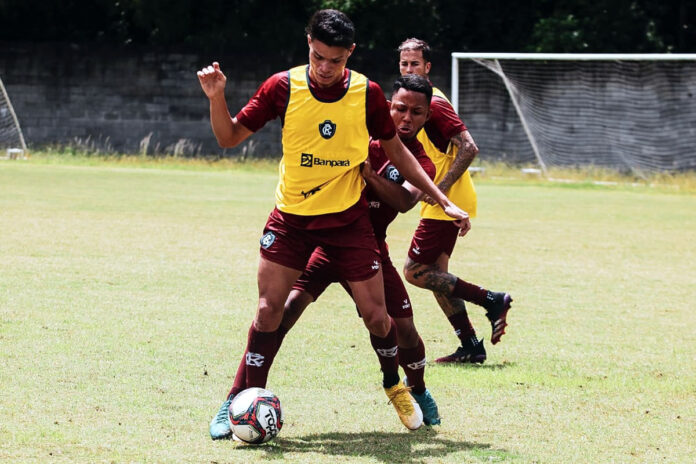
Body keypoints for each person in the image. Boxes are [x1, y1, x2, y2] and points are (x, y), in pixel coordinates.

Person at [197, 11, 469, 440]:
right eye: (318, 56)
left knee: (381, 320)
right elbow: (229, 137)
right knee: (270, 311)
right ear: (307, 43)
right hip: (291, 220)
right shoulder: (282, 86)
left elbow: (399, 153)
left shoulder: (366, 93)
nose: (325, 68)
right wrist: (216, 97)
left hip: (348, 226)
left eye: (336, 61)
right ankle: (239, 398)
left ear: (351, 55)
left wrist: (443, 200)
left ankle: (394, 384)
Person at [275, 74, 444, 426]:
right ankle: (246, 389)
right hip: (325, 243)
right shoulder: (359, 137)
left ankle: (418, 389)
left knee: (404, 328)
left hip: (370, 250)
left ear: (427, 117)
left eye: (417, 112)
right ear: (388, 107)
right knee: (284, 310)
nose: (406, 118)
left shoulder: (421, 162)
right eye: (400, 109)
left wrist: (369, 177)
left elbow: (403, 200)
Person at [397, 38, 513, 364]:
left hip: (446, 199)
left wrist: (443, 192)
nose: (408, 69)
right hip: (441, 198)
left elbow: (469, 146)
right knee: (438, 278)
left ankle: (493, 300)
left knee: (415, 272)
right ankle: (471, 346)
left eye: (414, 64)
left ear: (428, 67)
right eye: (404, 64)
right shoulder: (414, 101)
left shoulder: (433, 102)